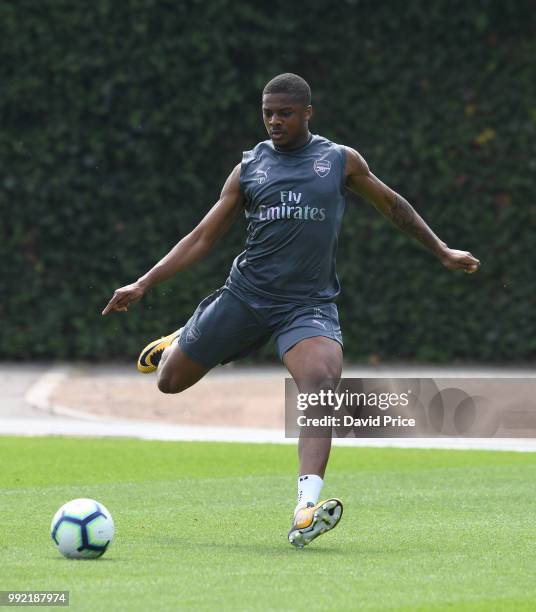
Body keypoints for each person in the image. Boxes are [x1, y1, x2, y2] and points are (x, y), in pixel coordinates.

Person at [102, 73, 480, 548]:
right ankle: (183, 336)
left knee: (321, 384)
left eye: (284, 113)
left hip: (306, 307)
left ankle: (305, 508)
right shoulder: (249, 169)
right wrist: (143, 282)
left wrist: (442, 249)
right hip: (244, 298)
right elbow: (202, 237)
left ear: (307, 113)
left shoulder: (339, 161)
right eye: (267, 114)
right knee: (169, 382)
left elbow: (393, 205)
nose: (274, 122)